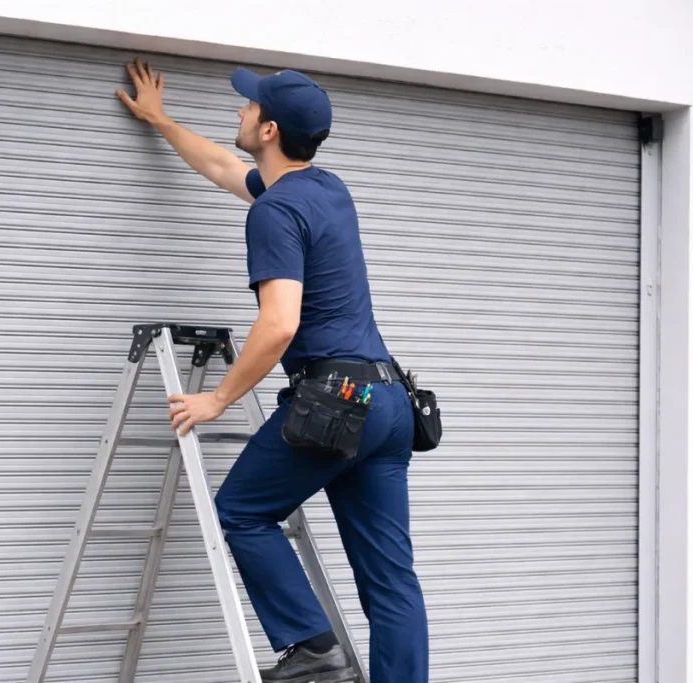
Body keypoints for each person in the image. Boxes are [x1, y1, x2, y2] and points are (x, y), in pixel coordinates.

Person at [116, 59, 429, 683]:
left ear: (269, 129)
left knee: (240, 511)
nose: (239, 110)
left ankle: (313, 649)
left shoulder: (275, 212)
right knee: (392, 582)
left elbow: (279, 322)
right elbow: (220, 166)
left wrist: (218, 400)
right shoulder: (327, 189)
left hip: (339, 398)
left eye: (250, 107)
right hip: (391, 401)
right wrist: (160, 120)